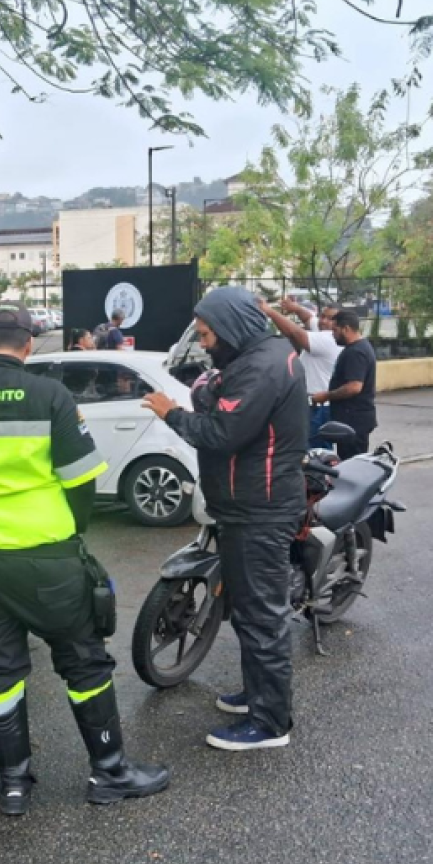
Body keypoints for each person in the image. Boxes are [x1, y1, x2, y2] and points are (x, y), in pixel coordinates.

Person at [0, 302, 168, 816]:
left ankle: (13, 783)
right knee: (83, 659)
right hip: (48, 557)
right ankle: (110, 772)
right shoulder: (50, 396)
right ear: (28, 345)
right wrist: (72, 529)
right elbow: (81, 480)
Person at [142, 287, 307, 752]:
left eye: (207, 334)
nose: (204, 343)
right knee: (249, 613)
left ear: (231, 326)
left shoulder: (260, 367)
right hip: (247, 506)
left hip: (259, 511)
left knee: (262, 618)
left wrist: (172, 414)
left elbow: (221, 432)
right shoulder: (258, 356)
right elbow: (217, 398)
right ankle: (259, 695)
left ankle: (270, 723)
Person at [259, 297, 341, 448]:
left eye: (330, 319)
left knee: (316, 449)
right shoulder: (324, 330)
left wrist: (268, 310)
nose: (323, 321)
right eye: (322, 316)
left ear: (339, 324)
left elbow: (294, 333)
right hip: (312, 403)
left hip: (318, 406)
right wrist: (296, 308)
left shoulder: (329, 340)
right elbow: (309, 319)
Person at [310, 310, 377, 460]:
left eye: (335, 330)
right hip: (351, 419)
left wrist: (326, 396)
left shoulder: (356, 352)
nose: (332, 335)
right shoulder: (358, 348)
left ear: (346, 329)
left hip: (353, 420)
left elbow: (354, 387)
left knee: (352, 462)